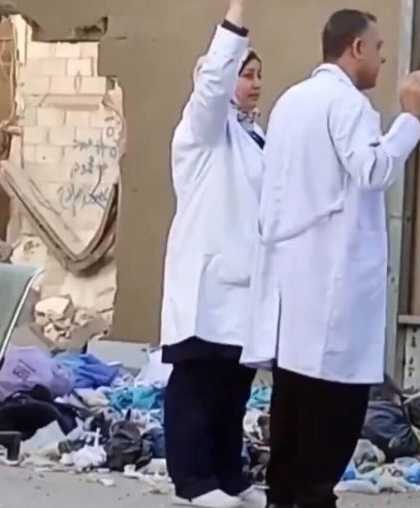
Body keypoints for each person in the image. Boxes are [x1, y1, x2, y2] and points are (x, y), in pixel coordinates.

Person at [239, 8, 420, 508]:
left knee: (293, 400)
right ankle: (312, 496)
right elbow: (372, 169)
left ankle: (285, 494)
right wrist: (410, 118)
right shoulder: (347, 104)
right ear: (356, 49)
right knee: (335, 409)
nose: (384, 58)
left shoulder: (290, 101)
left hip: (294, 278)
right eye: (379, 47)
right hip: (334, 279)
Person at [158, 0, 267, 506]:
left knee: (233, 389)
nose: (253, 83)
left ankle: (230, 475)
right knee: (197, 384)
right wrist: (237, 19)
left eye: (258, 75)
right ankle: (194, 480)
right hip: (207, 285)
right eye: (245, 74)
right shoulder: (201, 132)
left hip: (245, 287)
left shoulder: (255, 138)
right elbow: (212, 88)